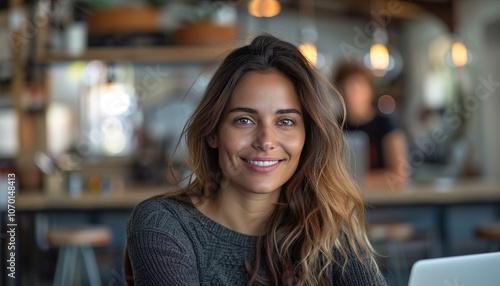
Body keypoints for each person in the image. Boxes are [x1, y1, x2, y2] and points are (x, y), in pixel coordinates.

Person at [126, 34, 387, 286]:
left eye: (285, 121)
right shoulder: (164, 225)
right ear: (213, 132)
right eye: (245, 120)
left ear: (308, 137)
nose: (265, 141)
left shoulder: (327, 225)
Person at [333, 62, 408, 190]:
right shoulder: (333, 126)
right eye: (344, 87)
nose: (349, 93)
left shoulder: (386, 125)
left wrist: (356, 181)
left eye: (356, 87)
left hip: (382, 202)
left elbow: (400, 176)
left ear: (370, 91)